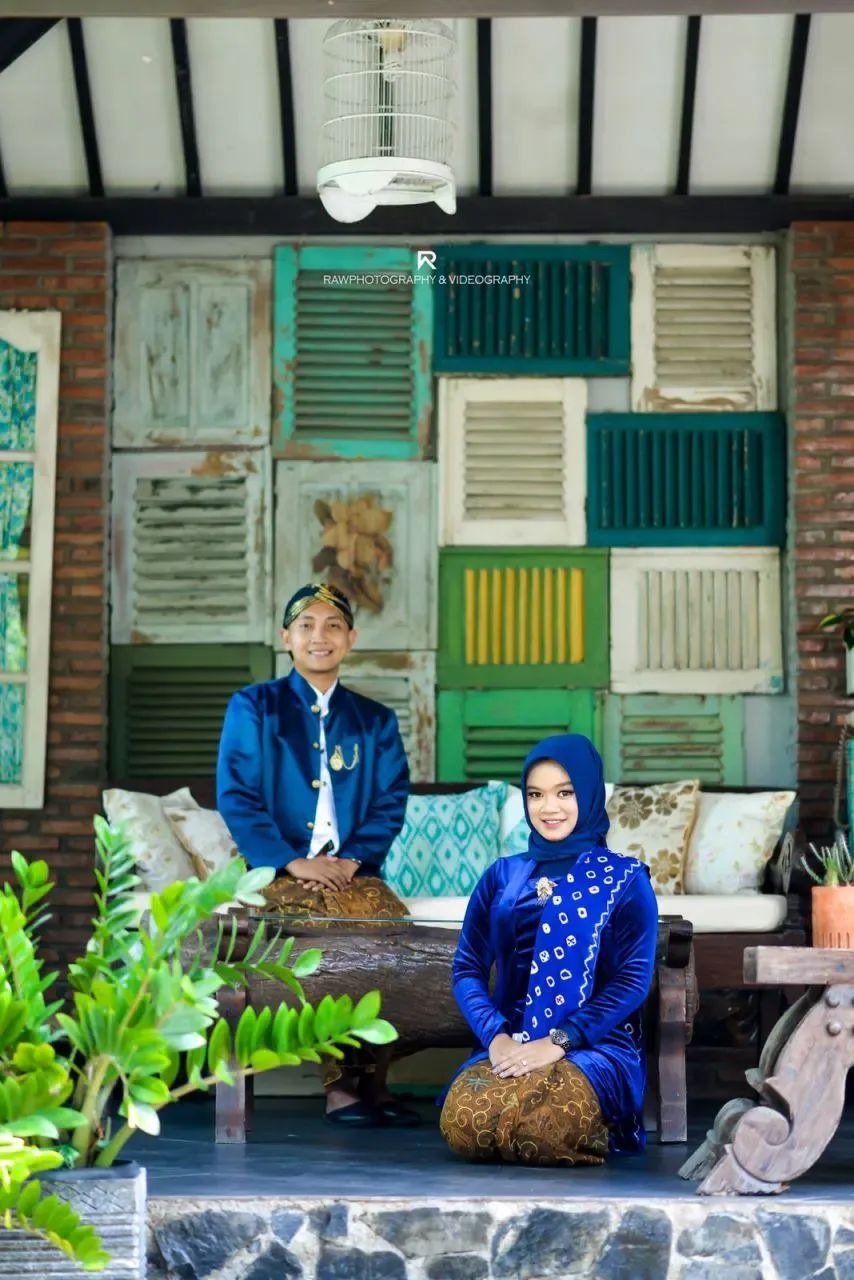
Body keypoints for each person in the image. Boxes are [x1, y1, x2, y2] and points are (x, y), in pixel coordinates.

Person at [216, 581, 415, 1127]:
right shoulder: (255, 707)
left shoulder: (374, 720)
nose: (319, 636)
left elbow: (391, 798)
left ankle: (375, 1082)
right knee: (331, 937)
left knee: (392, 931)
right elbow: (237, 794)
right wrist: (291, 860)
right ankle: (340, 1088)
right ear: (286, 638)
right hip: (278, 873)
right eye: (306, 625)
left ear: (351, 638)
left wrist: (353, 859)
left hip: (352, 873)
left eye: (333, 626)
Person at [440, 733, 658, 1165]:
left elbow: (633, 981)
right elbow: (467, 968)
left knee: (544, 1128)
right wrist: (496, 1037)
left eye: (565, 793)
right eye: (535, 794)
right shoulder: (502, 875)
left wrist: (560, 1041)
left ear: (589, 794)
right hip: (512, 1042)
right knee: (464, 1122)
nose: (548, 808)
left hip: (595, 1046)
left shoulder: (625, 878)